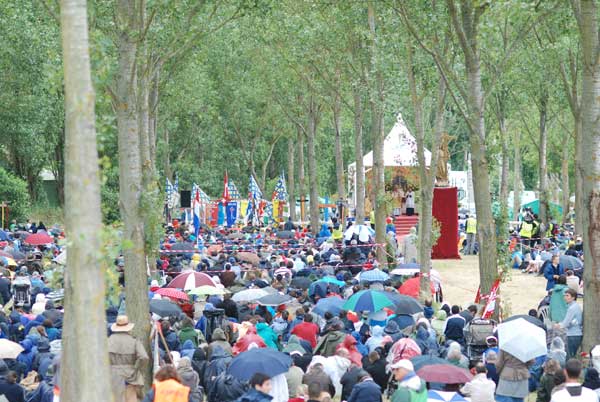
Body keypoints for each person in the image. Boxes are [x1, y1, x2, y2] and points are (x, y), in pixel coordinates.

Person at [108, 315, 150, 402]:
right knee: (131, 398)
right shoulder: (134, 341)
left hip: (112, 375)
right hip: (130, 375)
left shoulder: (108, 341)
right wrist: (138, 369)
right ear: (128, 328)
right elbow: (144, 357)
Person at [554, 289, 583, 359]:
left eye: (567, 296)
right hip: (576, 334)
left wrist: (557, 325)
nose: (565, 297)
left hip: (573, 335)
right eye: (564, 296)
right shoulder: (575, 306)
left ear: (573, 297)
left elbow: (565, 324)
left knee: (570, 357)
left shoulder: (572, 308)